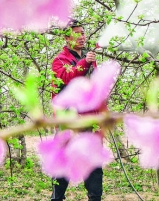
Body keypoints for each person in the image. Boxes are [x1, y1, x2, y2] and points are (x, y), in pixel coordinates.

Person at [50, 19, 103, 201]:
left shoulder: (90, 59)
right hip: (68, 123)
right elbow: (66, 77)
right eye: (77, 33)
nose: (81, 37)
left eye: (82, 33)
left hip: (90, 122)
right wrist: (85, 63)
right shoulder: (59, 61)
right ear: (67, 38)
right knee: (62, 166)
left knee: (94, 167)